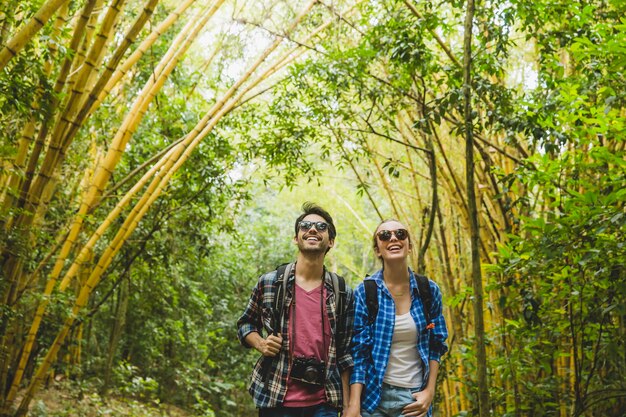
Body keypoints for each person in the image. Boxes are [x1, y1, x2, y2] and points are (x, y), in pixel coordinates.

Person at [237, 202, 354, 417]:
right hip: (276, 398)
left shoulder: (342, 291)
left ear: (331, 242)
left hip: (325, 402)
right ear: (295, 237)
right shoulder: (270, 283)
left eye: (321, 227)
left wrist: (348, 406)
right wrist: (261, 343)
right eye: (305, 225)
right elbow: (245, 324)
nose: (312, 229)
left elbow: (345, 353)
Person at [345, 219, 448, 417]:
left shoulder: (428, 290)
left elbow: (437, 344)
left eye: (400, 234)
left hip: (413, 397)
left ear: (409, 246)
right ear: (378, 249)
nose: (393, 238)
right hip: (373, 398)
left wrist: (429, 391)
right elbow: (359, 352)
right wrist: (354, 404)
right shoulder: (366, 292)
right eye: (385, 235)